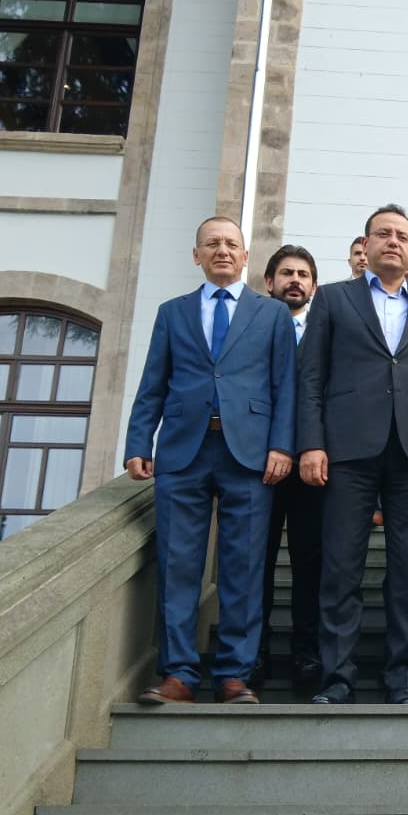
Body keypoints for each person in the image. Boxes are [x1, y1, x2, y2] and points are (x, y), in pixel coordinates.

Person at [125, 216, 295, 706]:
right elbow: (153, 382)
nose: (222, 250)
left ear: (245, 256)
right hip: (184, 451)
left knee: (243, 568)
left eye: (231, 244)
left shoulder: (272, 315)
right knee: (178, 565)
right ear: (196, 255)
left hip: (250, 454)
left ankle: (233, 675)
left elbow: (285, 386)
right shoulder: (172, 312)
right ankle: (178, 674)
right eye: (212, 244)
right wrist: (138, 443)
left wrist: (282, 446)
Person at [297, 204, 408, 705]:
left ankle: (402, 680)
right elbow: (311, 377)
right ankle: (336, 678)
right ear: (366, 245)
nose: (392, 241)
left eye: (402, 235)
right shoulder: (333, 299)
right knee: (341, 568)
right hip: (347, 452)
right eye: (383, 234)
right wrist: (311, 443)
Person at [259, 244, 323, 688]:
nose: (294, 280)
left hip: (313, 468)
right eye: (286, 273)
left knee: (310, 563)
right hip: (261, 464)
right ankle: (254, 654)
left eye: (303, 274)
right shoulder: (253, 325)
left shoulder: (326, 327)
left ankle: (307, 655)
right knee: (255, 563)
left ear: (314, 286)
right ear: (270, 282)